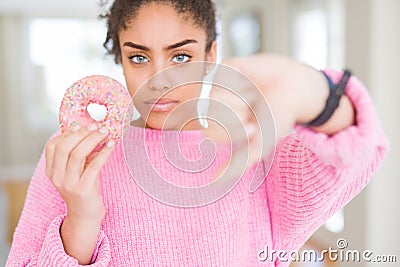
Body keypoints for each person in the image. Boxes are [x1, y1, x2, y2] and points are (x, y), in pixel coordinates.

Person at [7, 0, 388, 266]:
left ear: (211, 56)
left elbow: (358, 145)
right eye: (138, 57)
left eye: (180, 56)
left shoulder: (255, 148)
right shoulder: (73, 159)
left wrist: (311, 91)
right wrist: (81, 219)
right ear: (120, 61)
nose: (159, 80)